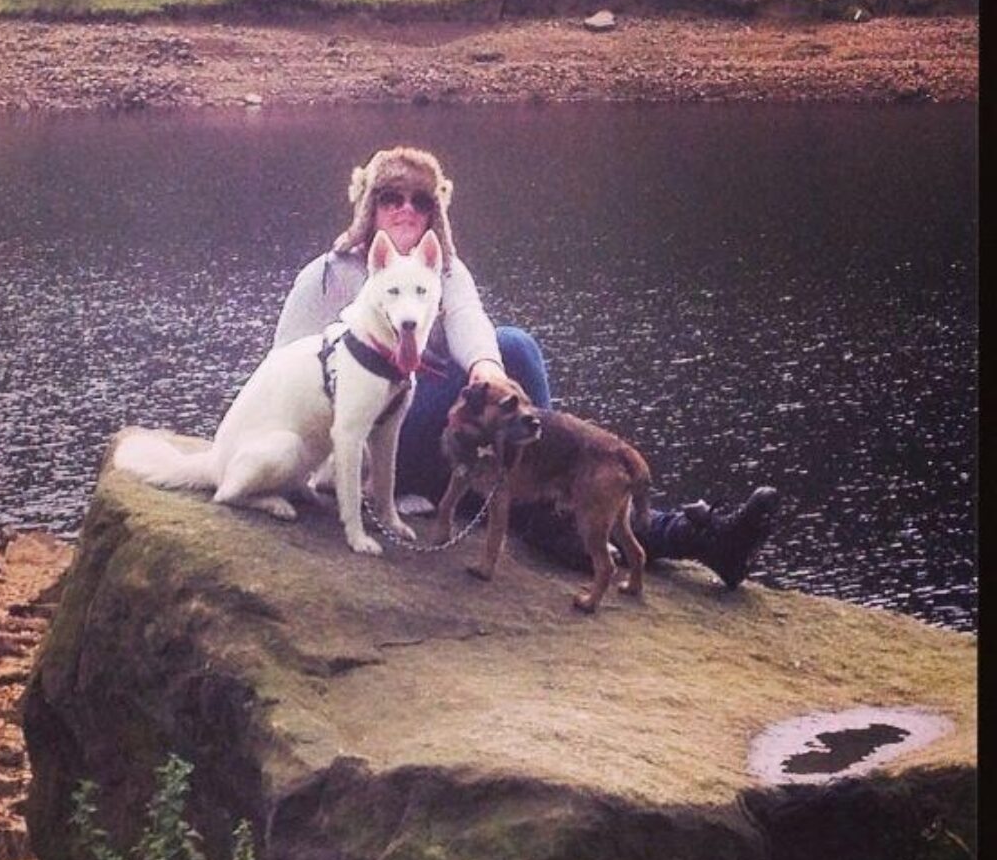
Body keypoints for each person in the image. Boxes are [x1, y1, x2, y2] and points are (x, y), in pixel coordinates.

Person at [273, 145, 779, 589]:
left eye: (421, 200)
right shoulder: (325, 277)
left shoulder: (443, 270)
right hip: (367, 447)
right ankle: (554, 500)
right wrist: (307, 467)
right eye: (391, 198)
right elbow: (283, 377)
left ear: (435, 213)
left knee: (512, 349)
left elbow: (472, 323)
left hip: (440, 444)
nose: (406, 209)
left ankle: (699, 538)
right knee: (448, 378)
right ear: (369, 207)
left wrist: (488, 371)